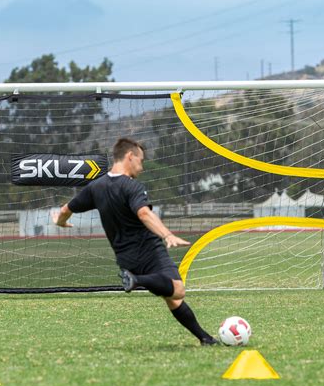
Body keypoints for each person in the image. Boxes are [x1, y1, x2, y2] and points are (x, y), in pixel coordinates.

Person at [53, 137, 217, 346]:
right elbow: (143, 213)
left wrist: (60, 223)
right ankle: (137, 281)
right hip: (150, 251)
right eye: (140, 160)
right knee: (178, 290)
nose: (142, 166)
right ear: (129, 156)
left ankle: (205, 338)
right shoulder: (132, 187)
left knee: (173, 299)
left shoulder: (96, 187)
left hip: (125, 259)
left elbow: (66, 210)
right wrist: (167, 235)